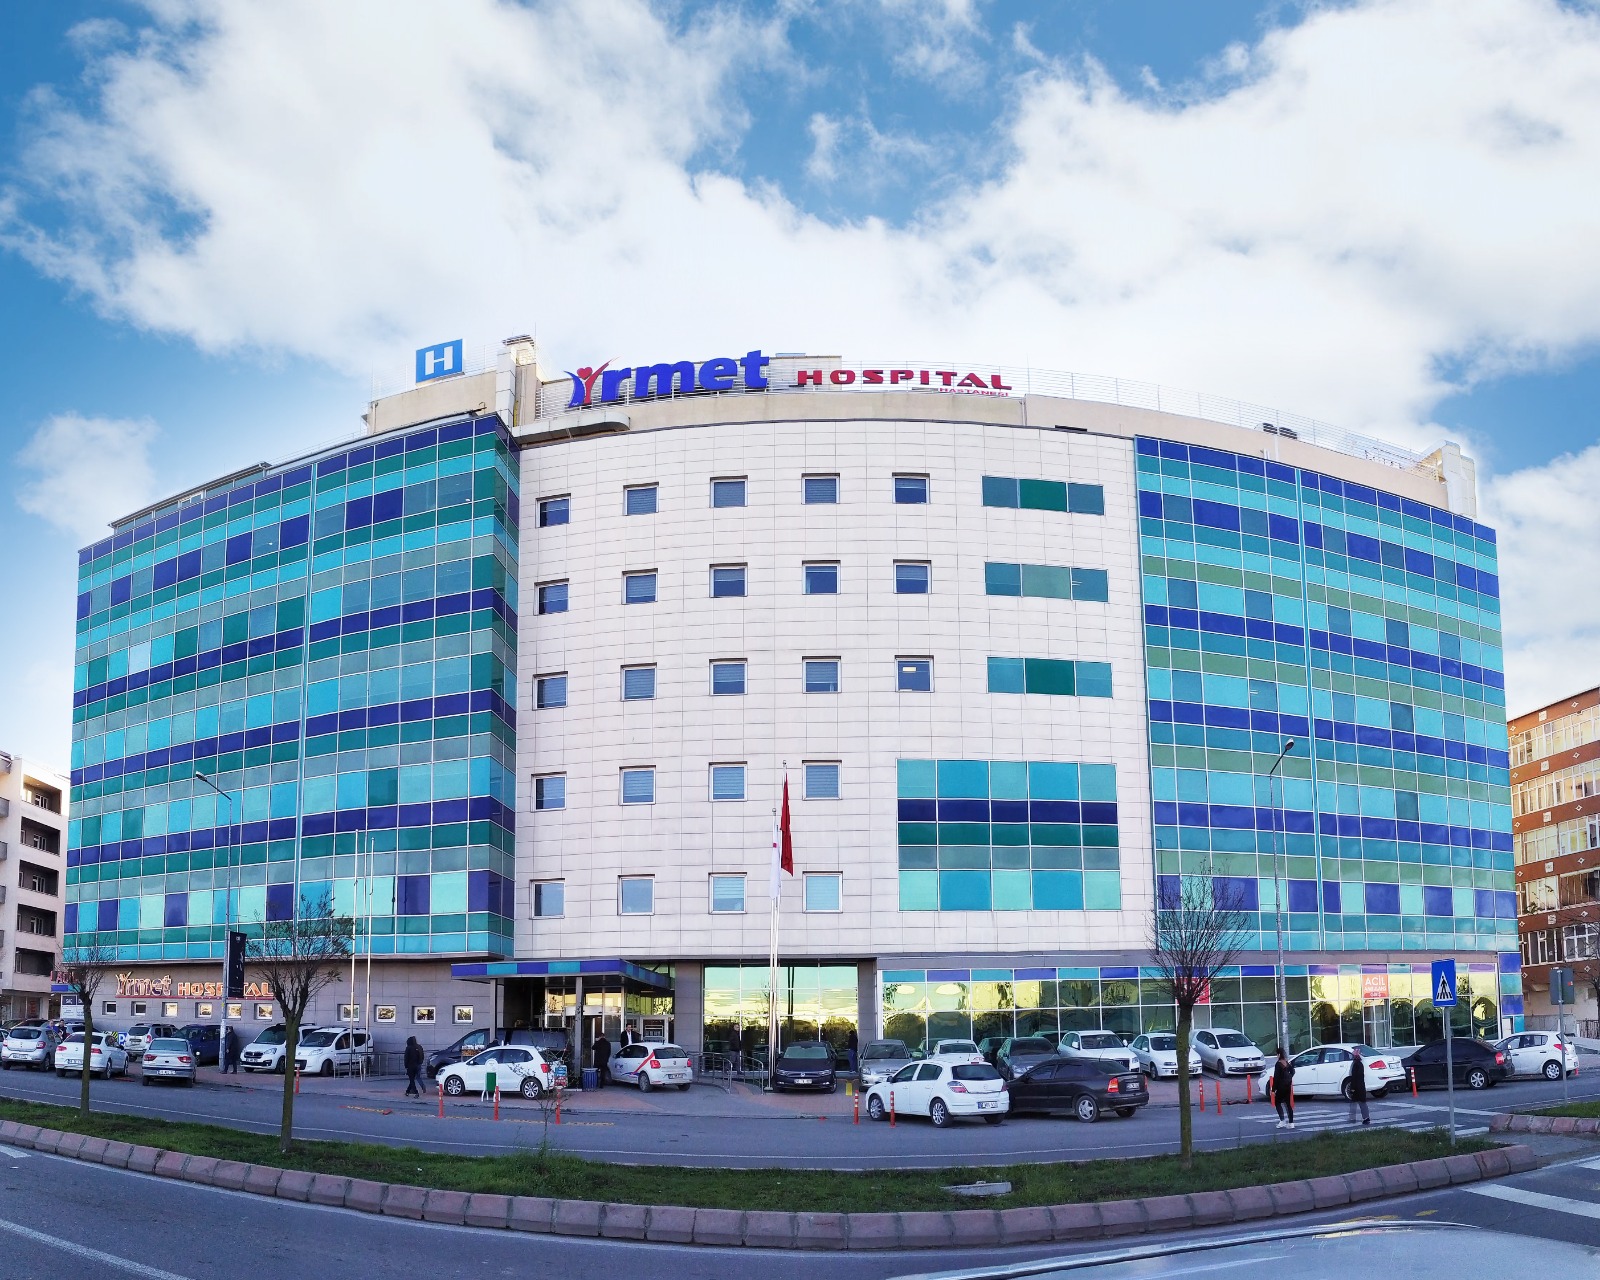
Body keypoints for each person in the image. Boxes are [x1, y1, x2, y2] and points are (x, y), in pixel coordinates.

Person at [1271, 1047, 1295, 1130]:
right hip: (1288, 1086)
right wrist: (1289, 1078)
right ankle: (1291, 1123)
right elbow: (1293, 1071)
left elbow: (1276, 1078)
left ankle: (1282, 1120)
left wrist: (1273, 1090)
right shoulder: (1286, 1063)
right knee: (1288, 1104)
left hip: (1280, 1087)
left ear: (1279, 1054)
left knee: (1277, 1102)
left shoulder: (1278, 1064)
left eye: (1277, 1054)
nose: (1276, 1056)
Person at [1347, 1047, 1370, 1125]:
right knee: (1362, 1103)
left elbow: (1354, 1077)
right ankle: (1366, 1117)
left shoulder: (1355, 1065)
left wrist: (1352, 1088)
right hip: (1361, 1086)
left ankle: (1352, 1118)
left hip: (1356, 1087)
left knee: (1354, 1103)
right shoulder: (1360, 1064)